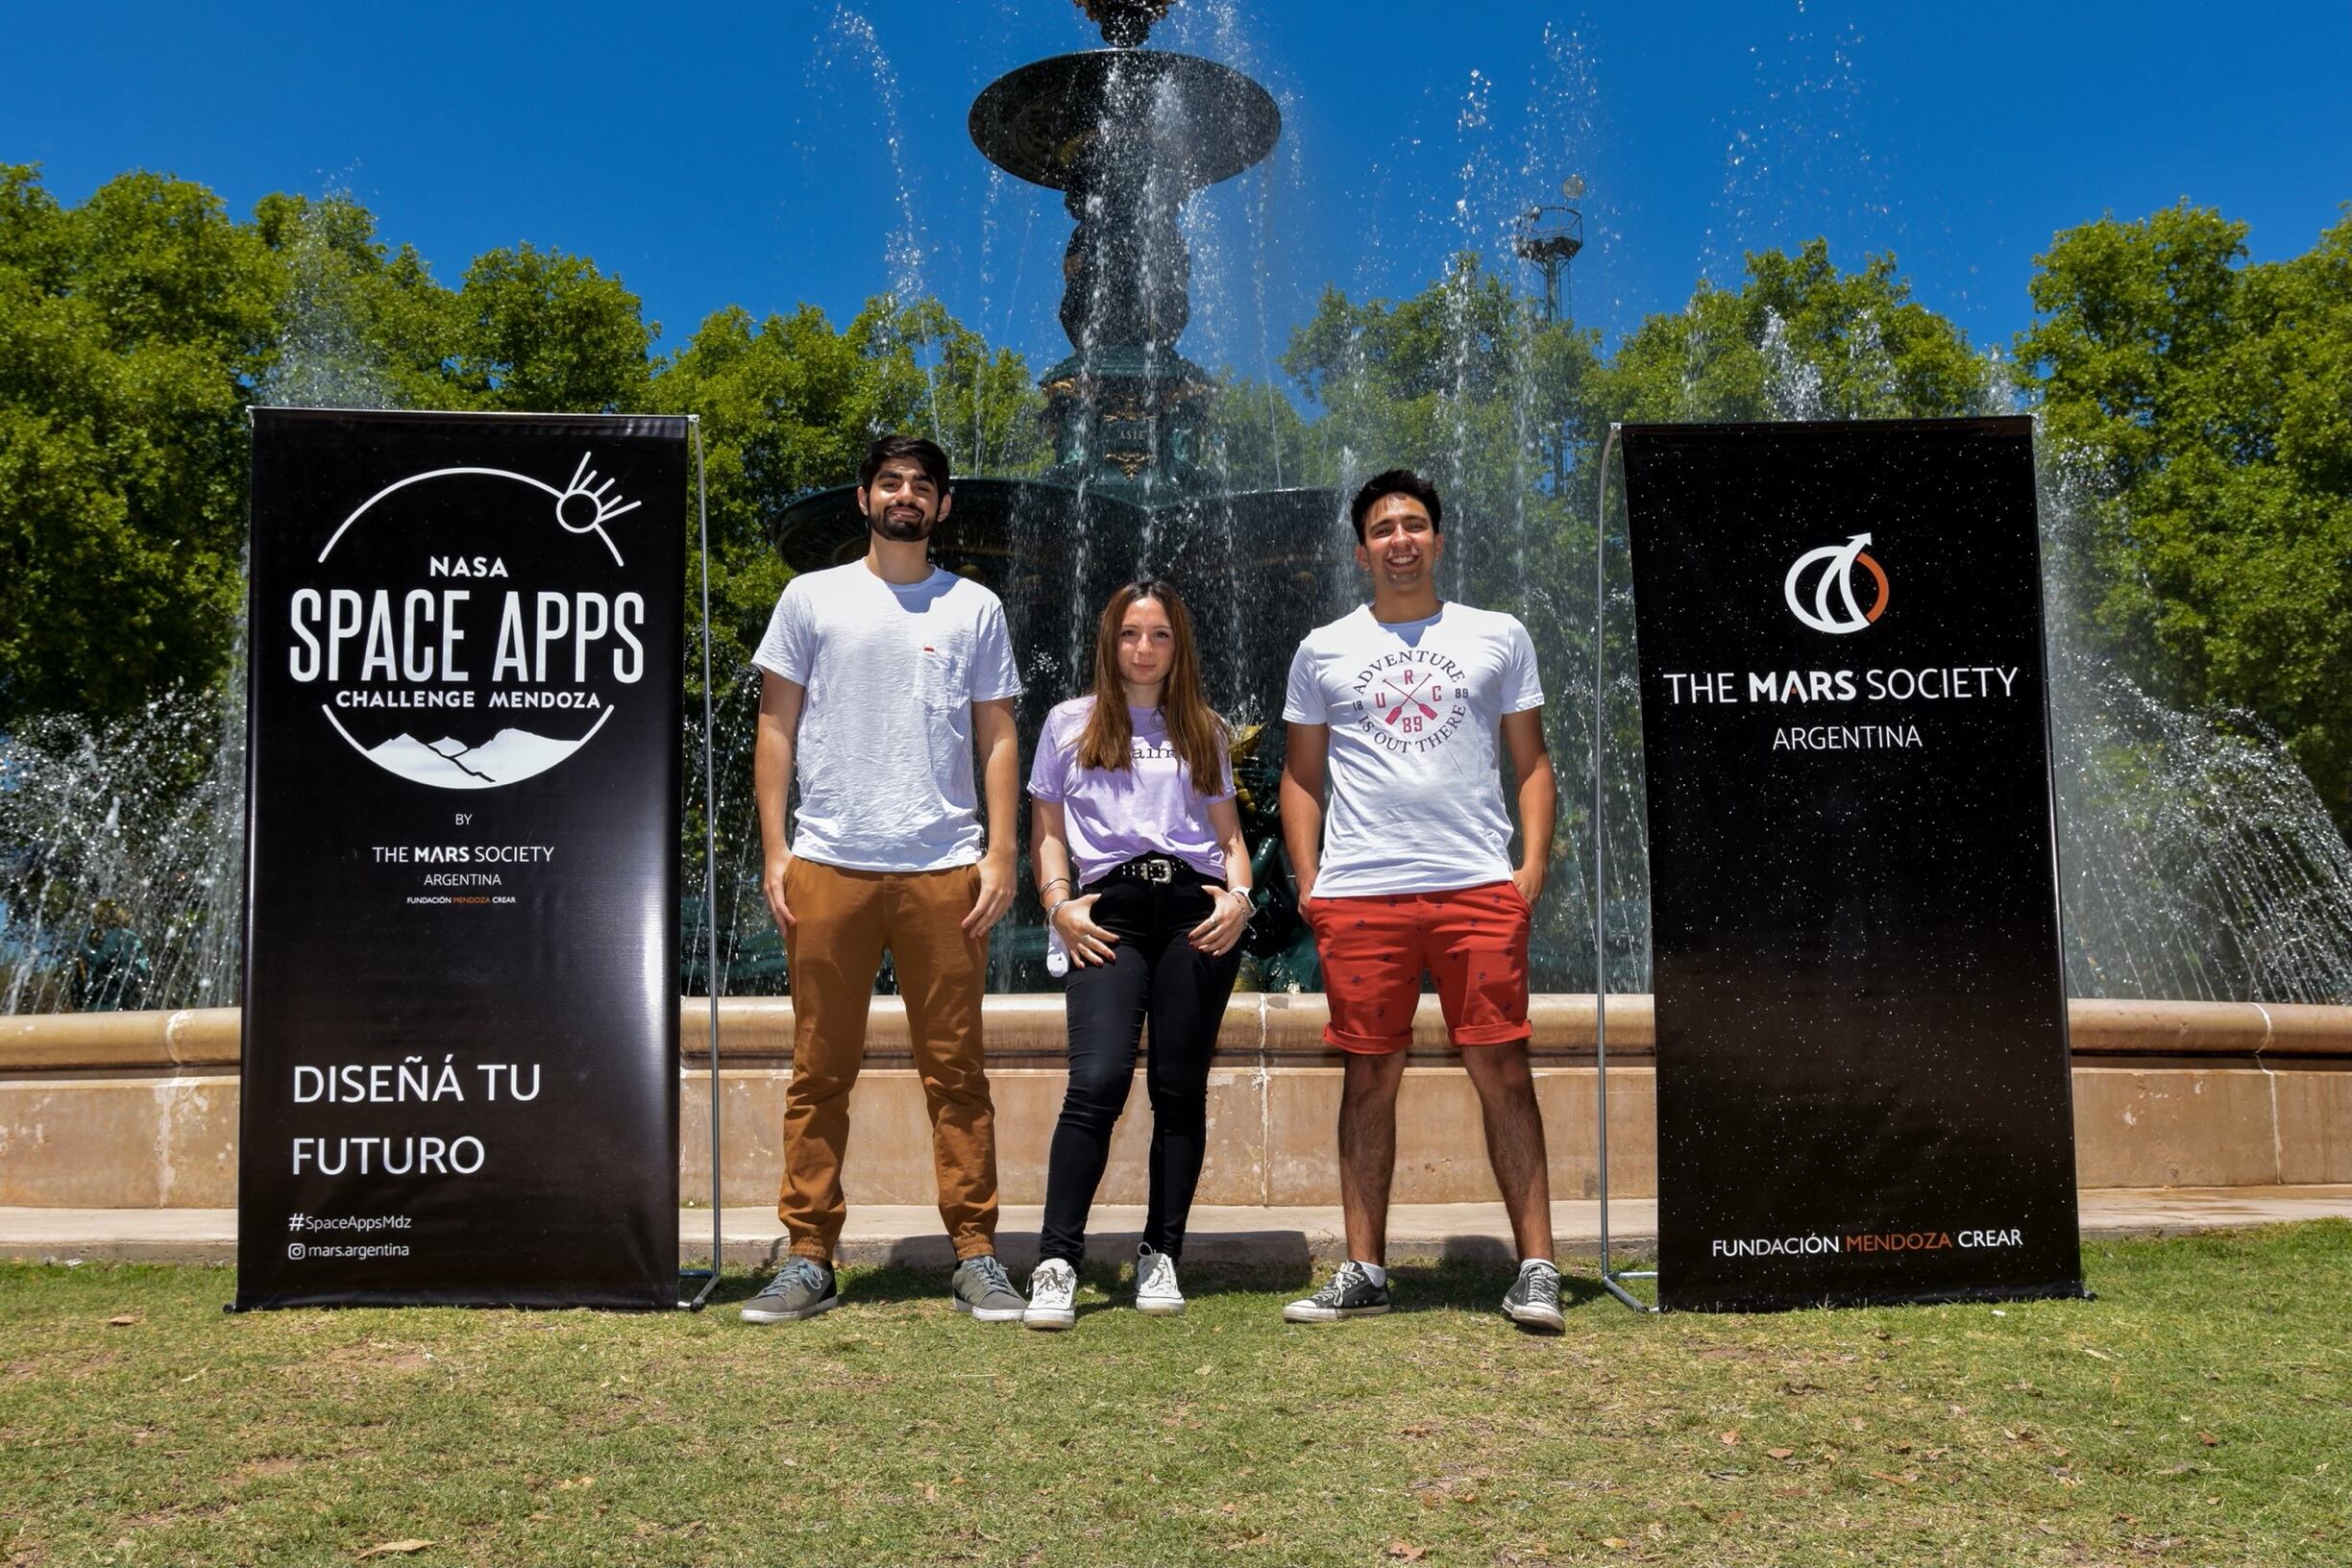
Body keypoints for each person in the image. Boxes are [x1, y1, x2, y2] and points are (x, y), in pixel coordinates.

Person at [740, 434, 1028, 1325]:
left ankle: (976, 1253)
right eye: (890, 482)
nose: (906, 496)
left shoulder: (974, 606)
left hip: (945, 872)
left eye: (922, 486)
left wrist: (1003, 852)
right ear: (865, 497)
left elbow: (1000, 735)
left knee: (959, 1073)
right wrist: (776, 851)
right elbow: (775, 728)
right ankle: (808, 1255)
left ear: (942, 508)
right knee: (818, 1071)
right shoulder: (810, 598)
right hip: (830, 864)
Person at [1276, 469, 1565, 1332]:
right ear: (1362, 550)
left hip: (1476, 883)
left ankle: (1538, 1267)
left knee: (1503, 1069)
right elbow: (1301, 776)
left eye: (1413, 525)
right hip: (1363, 894)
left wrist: (1531, 870)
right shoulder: (1324, 647)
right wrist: (1310, 883)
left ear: (1438, 540)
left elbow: (1533, 762)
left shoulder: (1496, 635)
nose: (1399, 539)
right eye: (1382, 528)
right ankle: (1364, 1268)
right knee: (1369, 1075)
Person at [1020, 580, 1254, 1331]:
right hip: (1108, 914)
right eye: (1130, 634)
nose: (1144, 649)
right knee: (1098, 1079)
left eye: (1158, 635)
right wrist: (1059, 908)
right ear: (1109, 641)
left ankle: (1162, 1254)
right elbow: (1049, 833)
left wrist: (1239, 898)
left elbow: (1229, 841)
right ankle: (1057, 1261)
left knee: (1179, 1089)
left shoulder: (1202, 728)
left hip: (1194, 914)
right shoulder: (1067, 723)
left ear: (1176, 645)